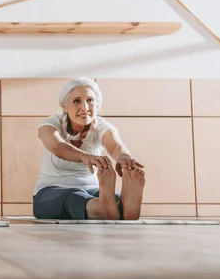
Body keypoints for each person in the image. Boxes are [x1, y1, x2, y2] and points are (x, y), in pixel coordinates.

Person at [33, 77, 145, 220]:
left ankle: (116, 207)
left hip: (93, 190)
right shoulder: (49, 124)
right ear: (64, 106)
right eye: (77, 101)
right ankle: (110, 209)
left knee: (115, 198)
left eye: (90, 100)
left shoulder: (100, 126)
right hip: (51, 191)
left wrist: (124, 158)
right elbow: (57, 146)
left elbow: (115, 144)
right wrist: (85, 156)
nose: (85, 107)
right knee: (75, 198)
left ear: (97, 105)